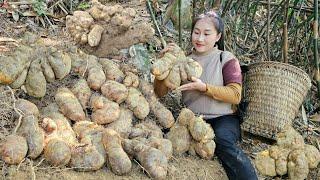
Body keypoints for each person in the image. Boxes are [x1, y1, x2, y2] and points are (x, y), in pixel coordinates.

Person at [154, 10, 258, 180]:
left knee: (223, 142)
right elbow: (159, 93)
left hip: (223, 118)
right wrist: (163, 65)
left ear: (218, 36)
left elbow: (235, 95)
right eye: (196, 32)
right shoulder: (184, 60)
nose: (200, 39)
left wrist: (204, 88)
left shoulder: (226, 58)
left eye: (206, 34)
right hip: (191, 118)